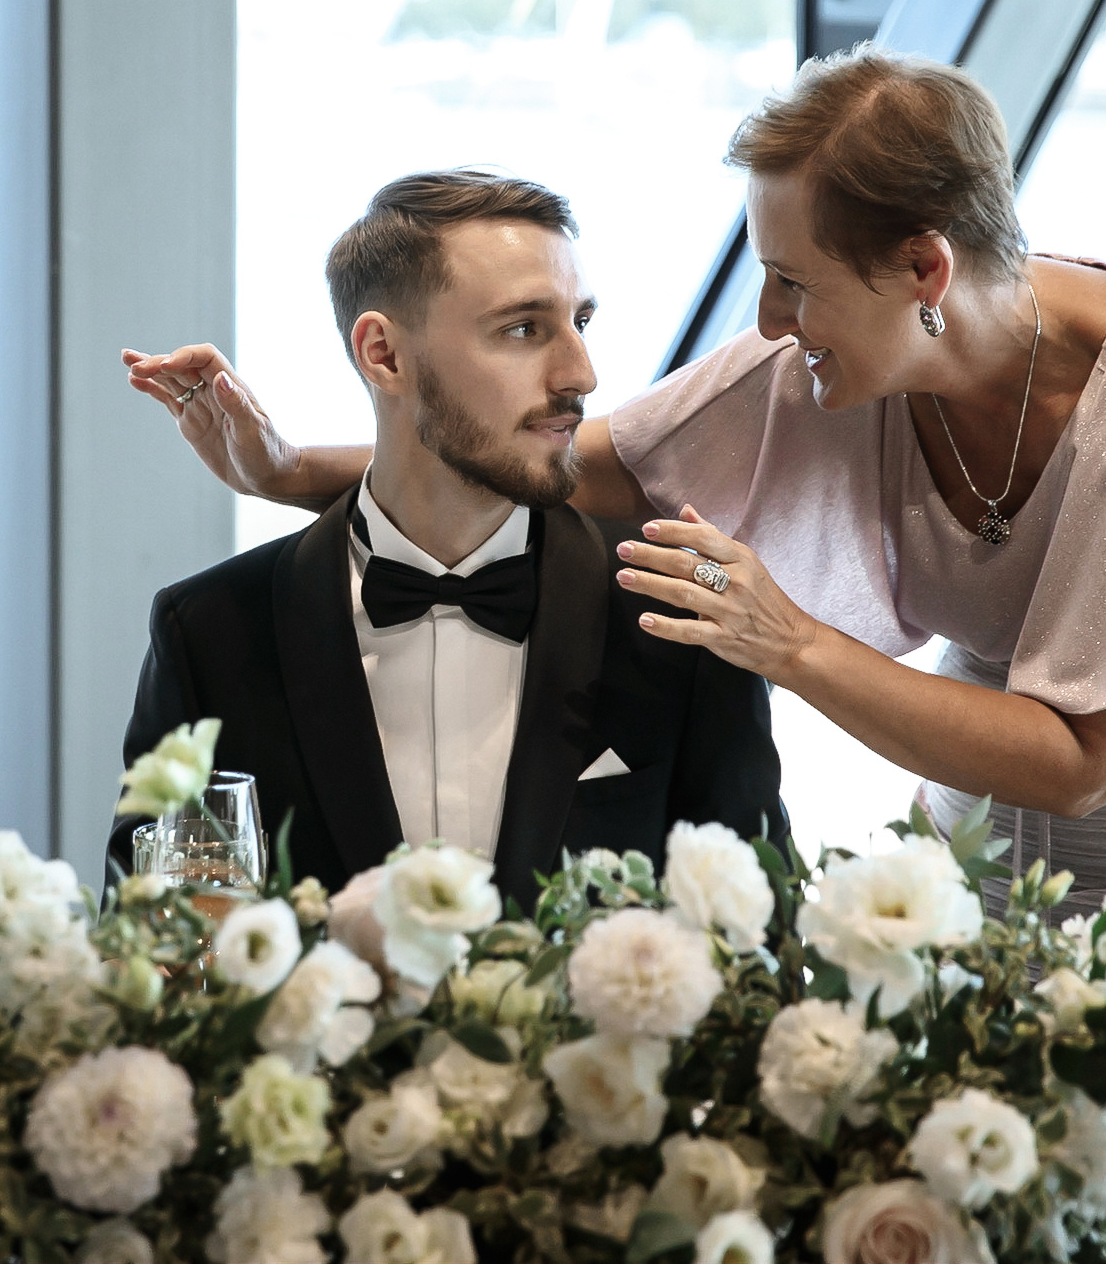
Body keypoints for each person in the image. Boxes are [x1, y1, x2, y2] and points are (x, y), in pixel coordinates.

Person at [129, 48, 1106, 919]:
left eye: (794, 280)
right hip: (986, 812)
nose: (768, 317)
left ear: (922, 267)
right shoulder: (831, 358)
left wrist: (786, 642)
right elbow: (573, 465)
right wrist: (289, 470)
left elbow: (1085, 763)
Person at [111, 172, 786, 912]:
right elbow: (153, 957)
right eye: (524, 328)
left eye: (580, 323)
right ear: (385, 355)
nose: (580, 374)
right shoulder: (209, 634)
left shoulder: (679, 621)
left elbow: (761, 942)